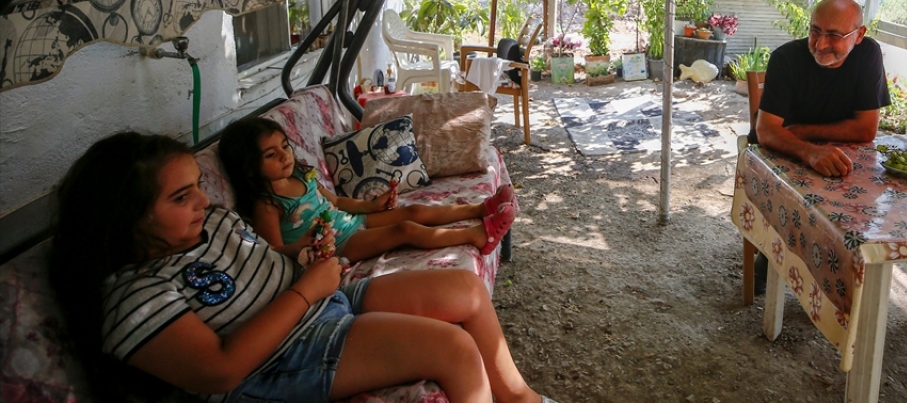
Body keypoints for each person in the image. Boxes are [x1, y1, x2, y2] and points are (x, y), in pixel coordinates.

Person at [49, 131, 557, 403]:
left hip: (319, 302)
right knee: (454, 349)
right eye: (182, 197)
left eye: (199, 186)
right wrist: (305, 292)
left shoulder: (214, 225)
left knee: (464, 289)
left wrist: (303, 258)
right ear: (126, 216)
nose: (204, 201)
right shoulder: (136, 295)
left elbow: (266, 260)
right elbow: (220, 371)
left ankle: (518, 397)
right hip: (281, 358)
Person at [218, 117, 516, 262]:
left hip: (353, 222)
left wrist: (371, 206)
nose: (285, 155)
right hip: (339, 246)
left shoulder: (302, 174)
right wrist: (301, 248)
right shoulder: (267, 204)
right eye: (271, 154)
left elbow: (336, 201)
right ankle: (477, 236)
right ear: (248, 167)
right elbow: (272, 253)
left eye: (284, 146)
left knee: (411, 210)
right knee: (405, 229)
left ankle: (480, 208)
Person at [753, 0, 891, 177]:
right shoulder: (786, 59)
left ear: (859, 35)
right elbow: (766, 130)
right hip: (784, 157)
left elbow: (866, 130)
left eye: (834, 35)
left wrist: (801, 131)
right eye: (815, 31)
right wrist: (810, 152)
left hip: (842, 161)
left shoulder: (867, 53)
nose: (820, 44)